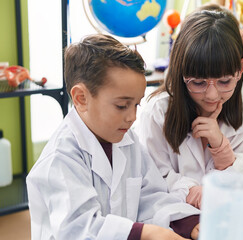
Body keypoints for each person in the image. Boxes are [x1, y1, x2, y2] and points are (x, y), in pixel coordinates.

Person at [26, 34, 201, 240]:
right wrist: (147, 232)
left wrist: (189, 223)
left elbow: (151, 196)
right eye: (121, 105)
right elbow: (79, 228)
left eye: (136, 104)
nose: (132, 117)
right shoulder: (60, 159)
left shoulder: (128, 141)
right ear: (81, 98)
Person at [135, 10, 243, 209]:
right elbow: (151, 178)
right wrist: (191, 192)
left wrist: (222, 148)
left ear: (241, 69)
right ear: (180, 73)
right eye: (198, 82)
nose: (212, 95)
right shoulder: (156, 113)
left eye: (224, 81)